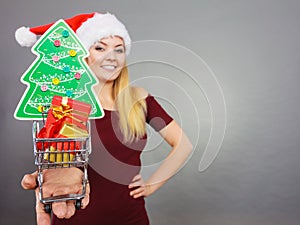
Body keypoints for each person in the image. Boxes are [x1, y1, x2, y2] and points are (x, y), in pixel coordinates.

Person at [17, 12, 193, 225]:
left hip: (131, 216)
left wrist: (151, 185)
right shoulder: (68, 105)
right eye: (100, 48)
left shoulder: (139, 98)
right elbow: (55, 161)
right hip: (77, 217)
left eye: (119, 50)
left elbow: (183, 144)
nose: (112, 57)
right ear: (85, 54)